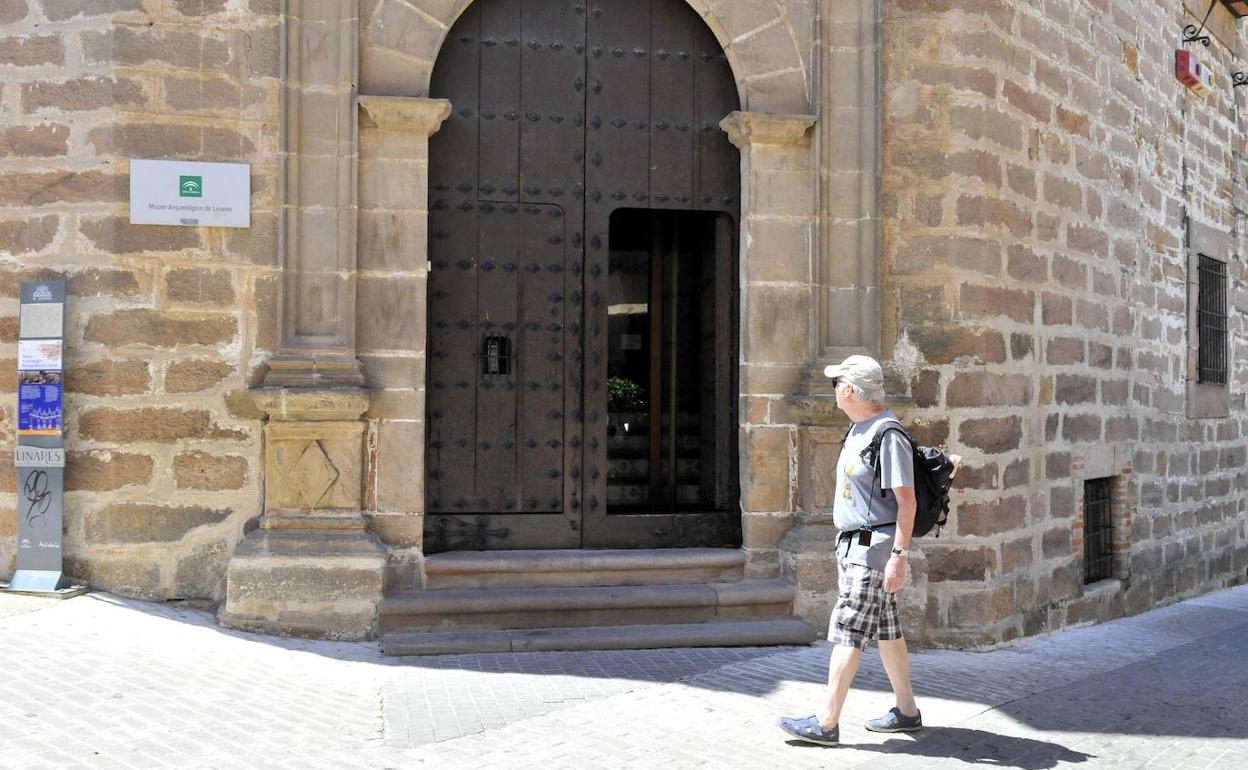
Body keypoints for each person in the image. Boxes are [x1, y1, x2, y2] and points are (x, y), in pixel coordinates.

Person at [778, 354, 924, 747]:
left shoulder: (887, 434)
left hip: (872, 551)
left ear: (849, 390)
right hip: (855, 546)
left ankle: (827, 723)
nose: (833, 391)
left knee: (847, 631)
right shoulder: (859, 428)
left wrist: (899, 557)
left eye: (835, 384)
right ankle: (907, 711)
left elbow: (906, 503)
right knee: (886, 630)